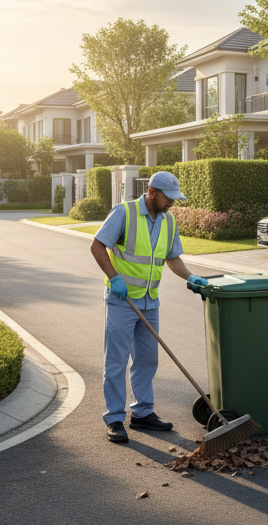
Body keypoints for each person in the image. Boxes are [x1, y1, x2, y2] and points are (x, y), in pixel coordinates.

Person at [89, 171, 208, 443]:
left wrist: (190, 276)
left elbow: (172, 257)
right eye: (168, 197)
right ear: (152, 191)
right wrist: (114, 278)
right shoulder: (124, 213)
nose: (172, 203)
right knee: (116, 361)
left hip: (149, 301)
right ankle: (115, 419)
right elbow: (97, 246)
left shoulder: (167, 221)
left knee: (147, 359)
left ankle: (142, 414)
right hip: (122, 300)